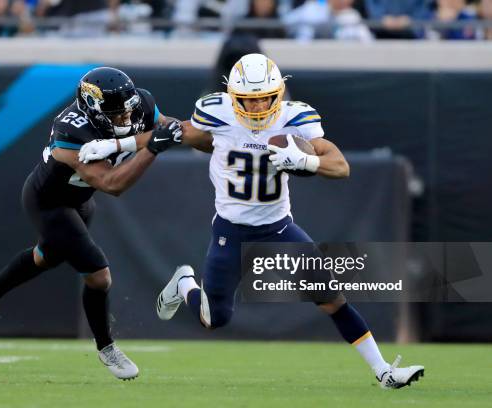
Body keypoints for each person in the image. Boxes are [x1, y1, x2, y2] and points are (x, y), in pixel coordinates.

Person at [81, 53, 425, 389]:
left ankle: (383, 371)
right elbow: (179, 133)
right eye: (248, 100)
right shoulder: (217, 113)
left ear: (278, 95)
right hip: (230, 231)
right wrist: (116, 144)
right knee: (215, 319)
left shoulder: (294, 119)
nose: (258, 108)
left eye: (265, 100)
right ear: (233, 97)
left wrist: (306, 163)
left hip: (279, 228)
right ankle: (186, 283)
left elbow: (340, 166)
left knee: (330, 295)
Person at [0, 67, 182, 381]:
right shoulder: (70, 132)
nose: (127, 119)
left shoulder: (141, 103)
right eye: (117, 114)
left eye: (129, 111)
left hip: (80, 201)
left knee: (45, 257)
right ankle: (107, 347)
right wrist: (151, 147)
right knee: (98, 275)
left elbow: (173, 127)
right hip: (49, 201)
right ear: (94, 110)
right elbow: (112, 183)